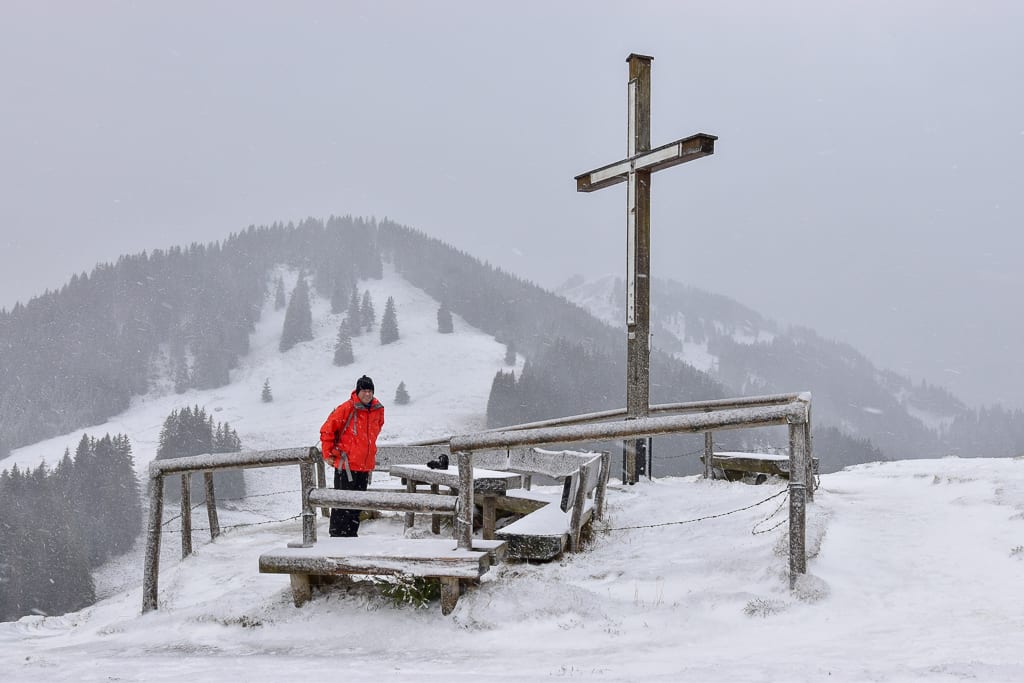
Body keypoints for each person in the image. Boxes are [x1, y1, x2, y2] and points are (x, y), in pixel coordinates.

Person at [319, 375, 385, 537]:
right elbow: (327, 429)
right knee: (341, 503)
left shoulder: (378, 410)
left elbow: (376, 431)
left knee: (357, 504)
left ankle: (351, 536)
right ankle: (337, 536)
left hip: (364, 466)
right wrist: (328, 453)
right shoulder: (347, 408)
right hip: (345, 465)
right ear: (358, 391)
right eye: (364, 390)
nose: (367, 394)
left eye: (370, 391)